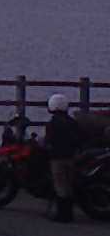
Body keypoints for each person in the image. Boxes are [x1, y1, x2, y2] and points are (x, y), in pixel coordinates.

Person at [45, 93, 80, 222]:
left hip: (57, 158)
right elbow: (78, 138)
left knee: (60, 186)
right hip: (71, 157)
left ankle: (62, 215)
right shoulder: (72, 122)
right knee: (69, 185)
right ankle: (69, 213)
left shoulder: (52, 123)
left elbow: (49, 141)